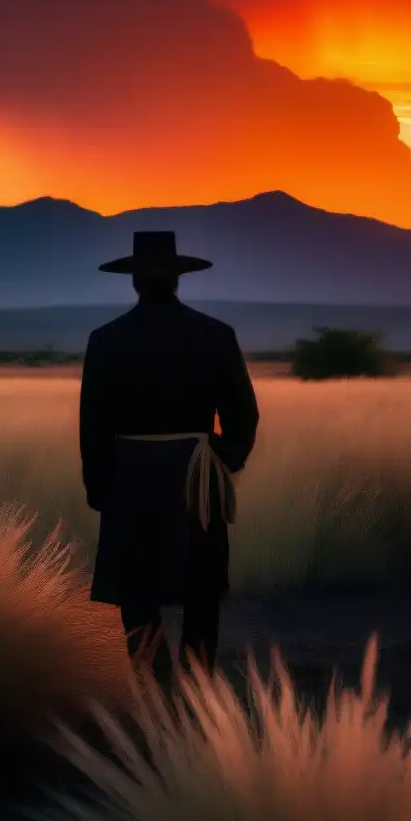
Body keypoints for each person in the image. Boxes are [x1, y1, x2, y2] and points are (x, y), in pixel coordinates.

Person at [79, 230, 259, 684]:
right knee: (200, 593)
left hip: (129, 479)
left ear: (134, 281)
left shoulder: (106, 340)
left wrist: (100, 488)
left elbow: (93, 425)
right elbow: (243, 414)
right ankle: (197, 695)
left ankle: (154, 696)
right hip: (196, 479)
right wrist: (221, 460)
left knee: (137, 593)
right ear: (178, 281)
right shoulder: (215, 335)